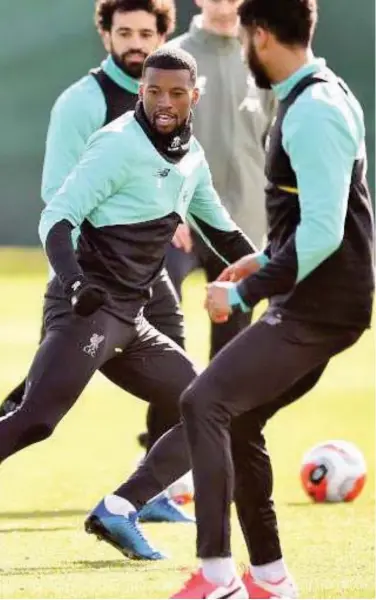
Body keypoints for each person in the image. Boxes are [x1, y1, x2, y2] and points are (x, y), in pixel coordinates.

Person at [103, 0, 374, 596]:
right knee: (239, 418)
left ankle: (217, 576)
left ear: (261, 35)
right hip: (317, 300)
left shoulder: (316, 110)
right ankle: (271, 580)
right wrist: (262, 257)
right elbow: (311, 217)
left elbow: (327, 231)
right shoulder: (321, 95)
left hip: (320, 308)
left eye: (248, 38)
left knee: (203, 402)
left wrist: (248, 289)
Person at [0, 48, 256, 568]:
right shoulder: (116, 145)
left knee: (210, 408)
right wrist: (74, 284)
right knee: (35, 421)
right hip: (87, 309)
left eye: (176, 92)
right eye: (154, 91)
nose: (164, 102)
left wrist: (282, 274)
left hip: (131, 321)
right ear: (141, 91)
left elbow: (225, 233)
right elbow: (57, 218)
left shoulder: (191, 157)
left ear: (194, 97)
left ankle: (119, 509)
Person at [0, 0, 193, 525]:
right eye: (123, 32)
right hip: (90, 278)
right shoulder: (82, 102)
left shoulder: (166, 105)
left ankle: (148, 494)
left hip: (148, 277)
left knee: (187, 387)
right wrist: (86, 272)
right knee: (36, 409)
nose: (135, 43)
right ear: (105, 34)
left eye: (146, 34)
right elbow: (57, 198)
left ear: (162, 39)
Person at [137, 0, 276, 454]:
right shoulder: (175, 56)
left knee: (231, 352)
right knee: (164, 333)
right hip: (179, 226)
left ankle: (217, 454)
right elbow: (144, 144)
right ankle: (160, 452)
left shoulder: (263, 58)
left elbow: (275, 147)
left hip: (243, 227)